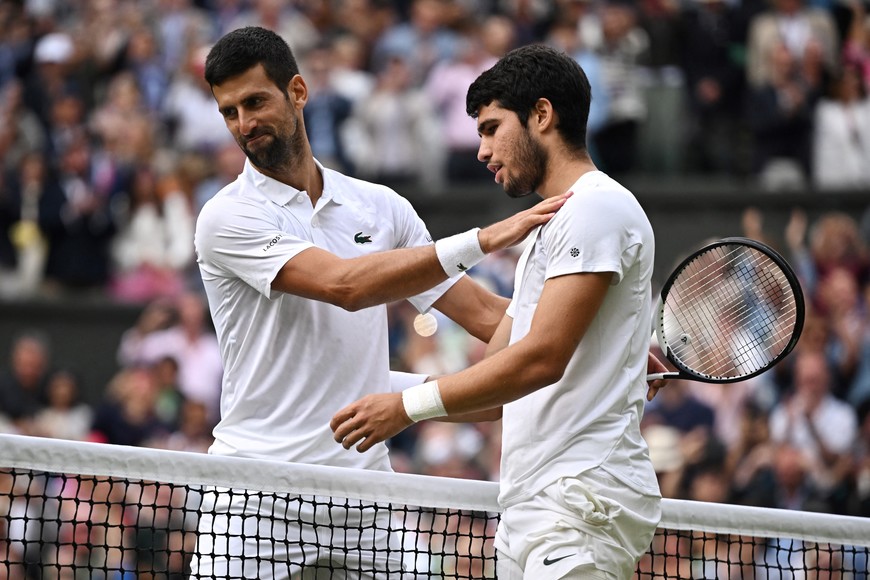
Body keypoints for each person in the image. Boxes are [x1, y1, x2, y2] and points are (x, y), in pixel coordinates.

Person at [192, 26, 572, 579]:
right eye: (229, 112)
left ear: (297, 92)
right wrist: (482, 240)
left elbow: (492, 319)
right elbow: (345, 286)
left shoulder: (379, 207)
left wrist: (599, 344)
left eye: (255, 102)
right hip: (256, 495)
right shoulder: (225, 217)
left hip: (368, 493)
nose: (244, 125)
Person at [332, 44, 665, 579]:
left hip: (581, 504)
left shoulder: (596, 207)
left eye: (491, 128)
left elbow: (541, 359)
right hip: (533, 510)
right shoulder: (546, 228)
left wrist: (406, 407)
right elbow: (495, 388)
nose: (482, 150)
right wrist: (378, 387)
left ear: (541, 114)